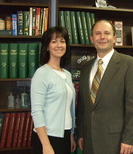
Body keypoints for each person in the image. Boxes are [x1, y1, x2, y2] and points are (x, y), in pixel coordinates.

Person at [77, 20, 133, 154]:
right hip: (89, 141)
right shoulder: (86, 67)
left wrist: (130, 139)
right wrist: (81, 133)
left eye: (106, 33)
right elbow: (83, 106)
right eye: (98, 33)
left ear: (114, 38)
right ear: (92, 38)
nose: (102, 37)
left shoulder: (129, 64)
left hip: (118, 143)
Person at [31, 26, 76, 154]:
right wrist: (45, 145)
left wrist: (71, 134)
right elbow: (36, 111)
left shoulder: (67, 74)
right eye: (54, 41)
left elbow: (68, 108)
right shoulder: (41, 73)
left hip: (65, 135)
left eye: (62, 41)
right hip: (48, 136)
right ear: (47, 46)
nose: (59, 45)